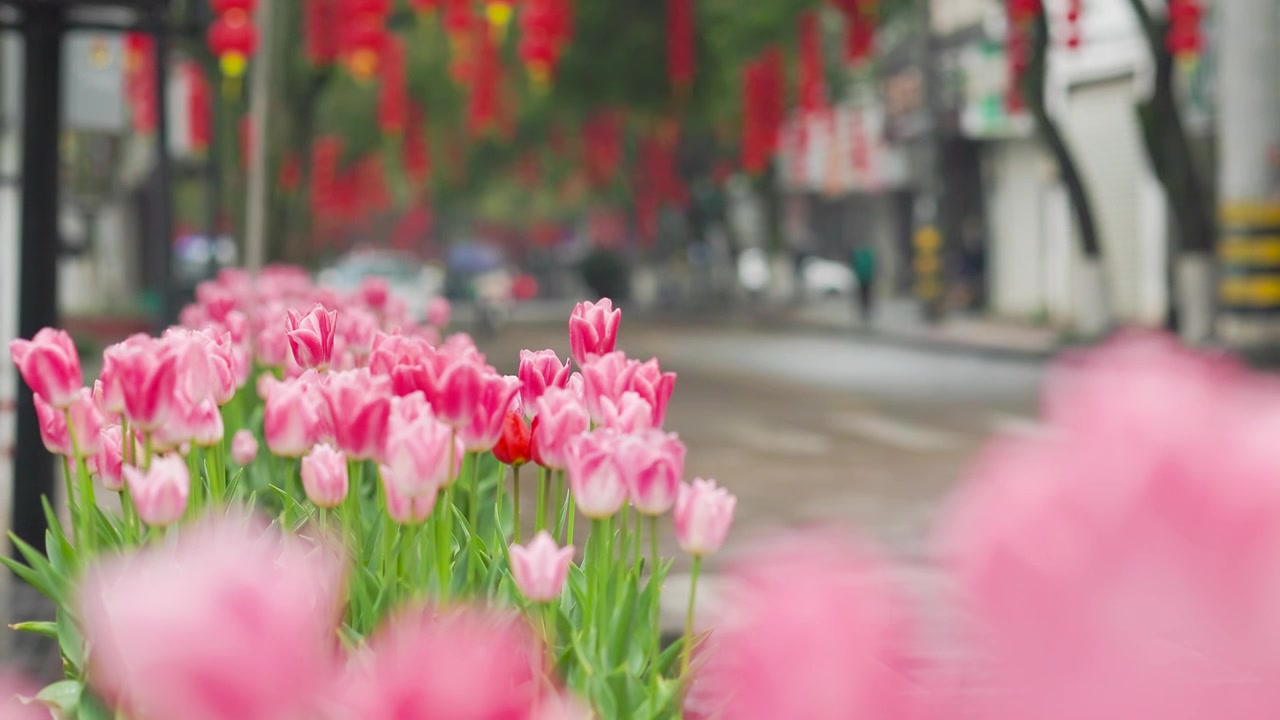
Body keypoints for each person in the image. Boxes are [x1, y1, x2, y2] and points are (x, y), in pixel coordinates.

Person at [851, 244, 876, 323]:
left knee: (864, 295)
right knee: (866, 295)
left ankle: (865, 310)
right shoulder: (867, 256)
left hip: (863, 279)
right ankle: (865, 310)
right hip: (866, 279)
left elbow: (856, 266)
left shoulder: (861, 256)